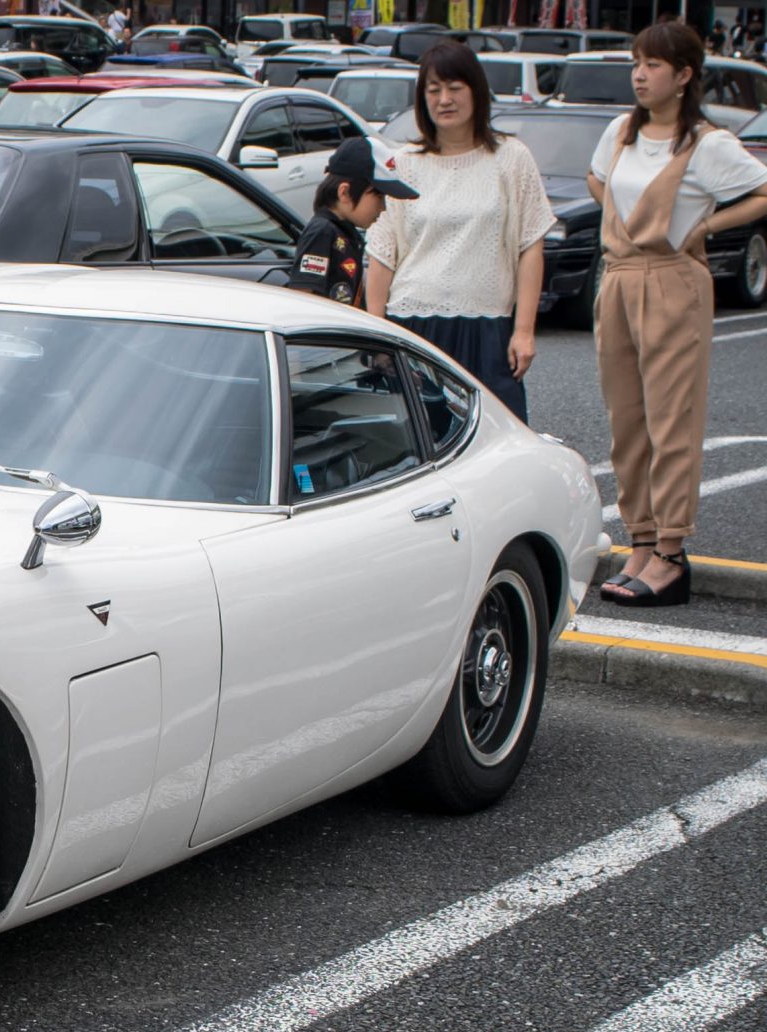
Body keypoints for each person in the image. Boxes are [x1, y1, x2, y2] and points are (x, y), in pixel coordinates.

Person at [591, 22, 767, 607]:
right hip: (617, 278)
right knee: (627, 421)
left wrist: (705, 225)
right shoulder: (620, 132)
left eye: (654, 65)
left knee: (672, 423)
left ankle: (670, 553)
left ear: (684, 75)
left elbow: (761, 190)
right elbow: (598, 181)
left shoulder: (706, 143)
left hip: (672, 282)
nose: (640, 74)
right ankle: (640, 540)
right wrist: (624, 225)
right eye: (636, 62)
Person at [364, 42, 554, 422]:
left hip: (488, 330)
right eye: (433, 90)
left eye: (454, 88)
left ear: (476, 91)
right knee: (421, 452)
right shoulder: (402, 164)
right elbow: (382, 252)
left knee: (500, 446)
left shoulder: (511, 158)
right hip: (414, 325)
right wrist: (377, 333)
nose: (444, 100)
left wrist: (524, 331)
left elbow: (530, 245)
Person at [286, 137, 417, 306]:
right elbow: (303, 297)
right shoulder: (322, 231)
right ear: (345, 193)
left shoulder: (345, 232)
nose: (383, 207)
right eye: (378, 196)